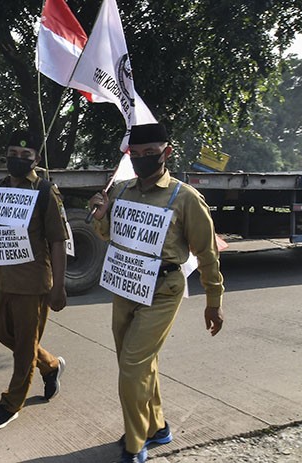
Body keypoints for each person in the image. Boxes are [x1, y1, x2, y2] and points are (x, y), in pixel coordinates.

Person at [88, 123, 224, 463]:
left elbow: (207, 253)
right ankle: (158, 426)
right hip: (125, 284)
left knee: (132, 366)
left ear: (167, 153)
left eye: (151, 153)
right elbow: (109, 236)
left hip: (163, 289)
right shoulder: (119, 192)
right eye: (136, 155)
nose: (143, 159)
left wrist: (213, 301)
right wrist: (100, 217)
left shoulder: (185, 198)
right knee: (136, 362)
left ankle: (136, 443)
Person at [0, 130, 69, 430]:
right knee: (4, 334)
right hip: (3, 279)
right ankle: (50, 365)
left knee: (23, 347)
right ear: (5, 155)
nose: (18, 160)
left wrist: (59, 287)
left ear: (35, 159)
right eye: (13, 154)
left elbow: (58, 241)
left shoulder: (45, 192)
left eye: (26, 156)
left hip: (33, 284)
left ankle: (12, 403)